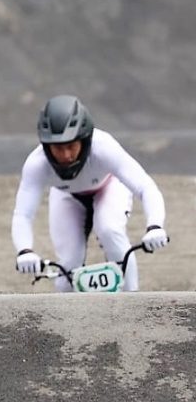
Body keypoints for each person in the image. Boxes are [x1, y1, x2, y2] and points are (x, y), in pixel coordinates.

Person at [11, 95, 169, 291]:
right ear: (46, 145)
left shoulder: (103, 147)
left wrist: (154, 226)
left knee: (109, 230)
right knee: (68, 264)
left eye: (71, 146)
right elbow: (23, 214)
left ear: (84, 140)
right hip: (66, 196)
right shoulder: (36, 164)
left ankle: (132, 303)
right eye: (58, 148)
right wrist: (25, 250)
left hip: (108, 187)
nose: (66, 156)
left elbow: (146, 187)